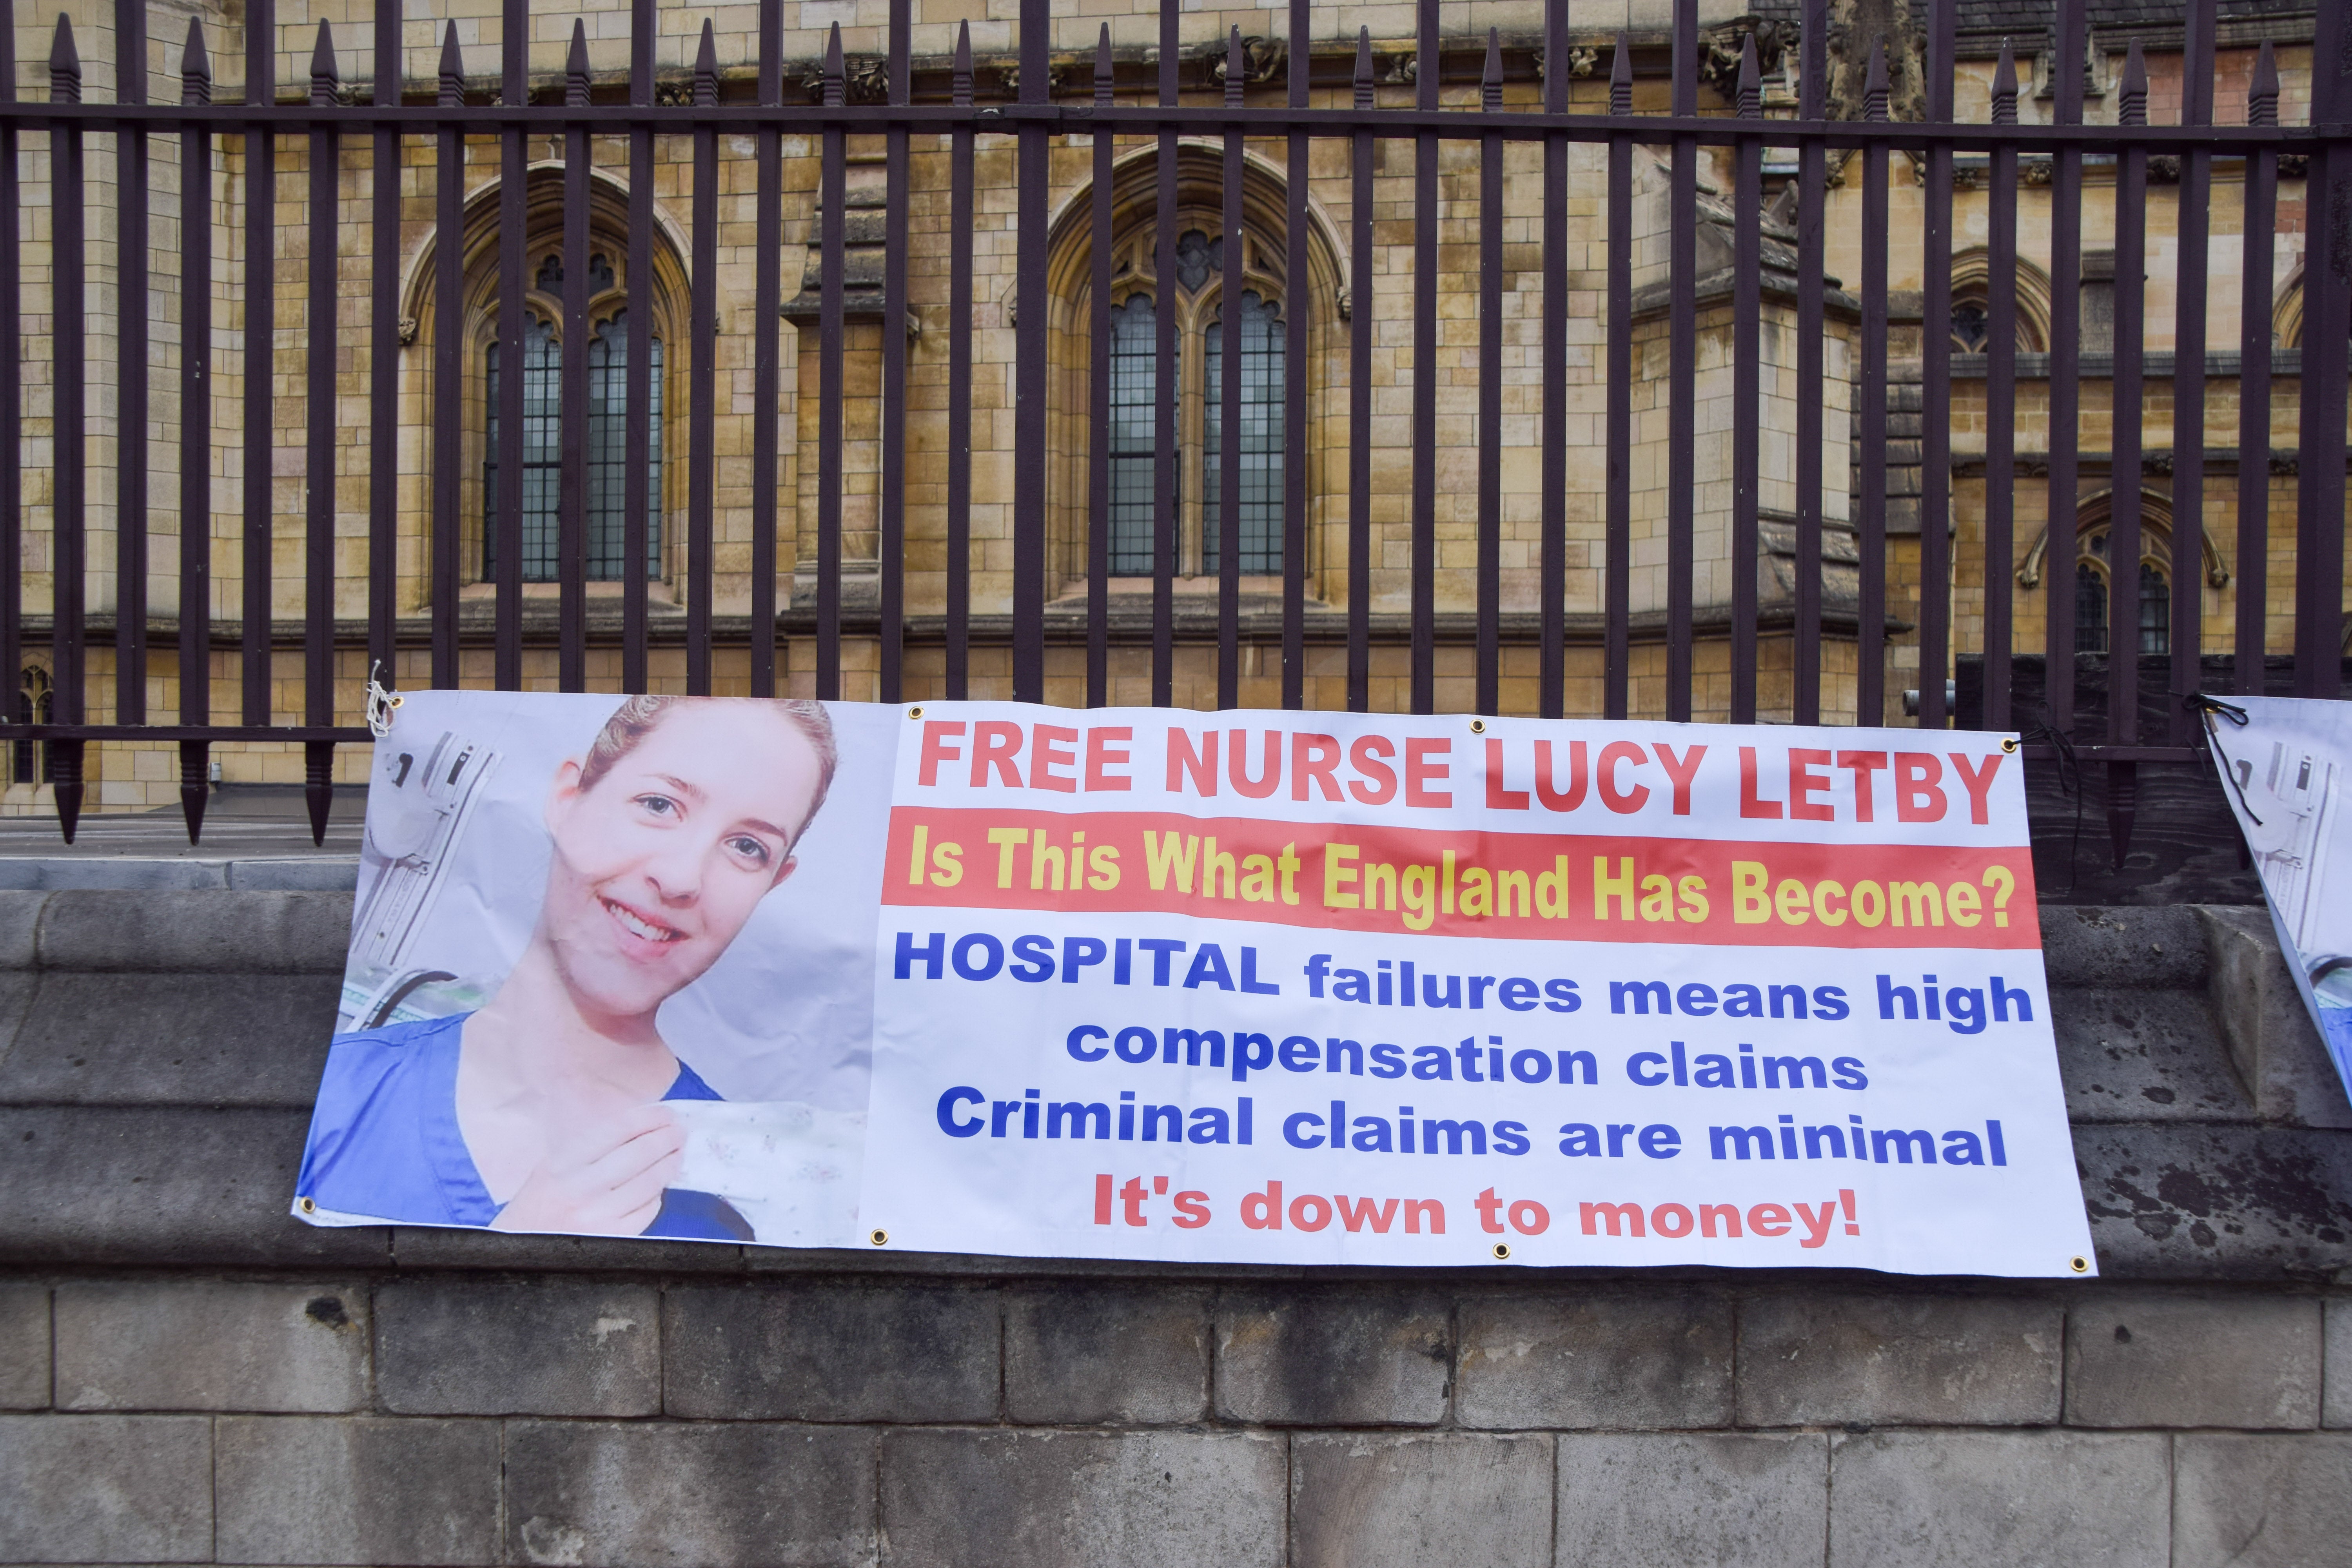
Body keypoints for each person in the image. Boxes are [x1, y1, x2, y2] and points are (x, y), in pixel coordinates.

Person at [296, 694, 838, 1241]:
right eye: (658, 805)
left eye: (747, 847)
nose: (681, 878)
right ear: (567, 798)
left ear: (773, 882)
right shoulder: (352, 1086)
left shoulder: (748, 1195)